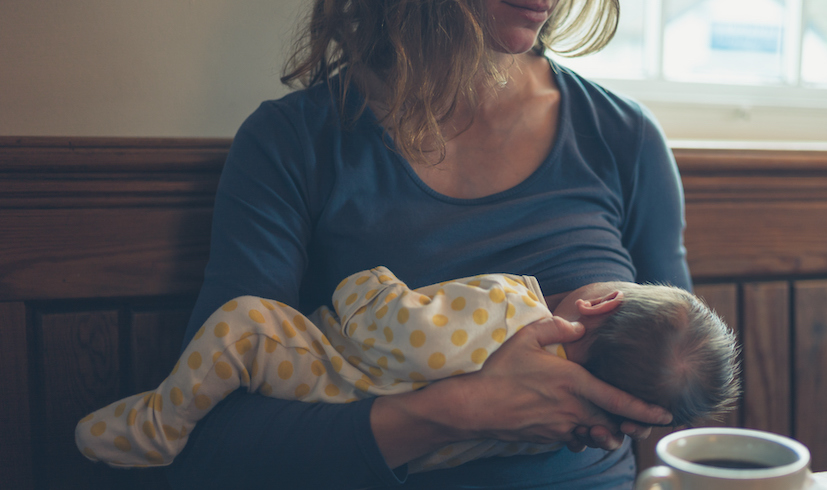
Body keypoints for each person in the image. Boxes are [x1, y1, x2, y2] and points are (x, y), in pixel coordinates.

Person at [163, 0, 692, 487]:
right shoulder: (291, 143)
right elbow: (212, 442)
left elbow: (677, 398)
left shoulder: (625, 138)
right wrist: (467, 410)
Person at [76, 267, 739, 472]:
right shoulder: (558, 425)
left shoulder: (511, 306)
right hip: (377, 448)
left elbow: (390, 330)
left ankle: (158, 423)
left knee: (245, 323)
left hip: (322, 373)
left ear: (599, 303)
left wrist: (365, 284)